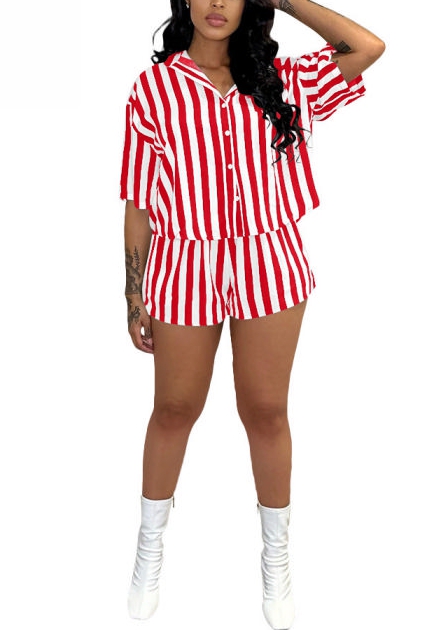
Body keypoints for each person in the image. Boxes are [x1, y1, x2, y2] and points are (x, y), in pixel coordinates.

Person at [119, 0, 385, 628]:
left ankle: (277, 561)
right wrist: (133, 294)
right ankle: (149, 550)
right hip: (184, 262)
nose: (218, 2)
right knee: (174, 409)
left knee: (265, 411)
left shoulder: (282, 80)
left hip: (270, 260)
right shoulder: (154, 89)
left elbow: (367, 48)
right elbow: (137, 200)